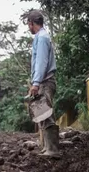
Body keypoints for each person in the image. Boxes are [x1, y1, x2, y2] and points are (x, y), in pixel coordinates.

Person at [26, 10, 60, 158]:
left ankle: (52, 149)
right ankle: (47, 147)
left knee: (46, 114)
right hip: (44, 81)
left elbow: (41, 62)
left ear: (32, 23)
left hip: (45, 82)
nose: (28, 27)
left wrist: (36, 83)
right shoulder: (42, 37)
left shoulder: (41, 38)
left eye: (28, 24)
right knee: (42, 114)